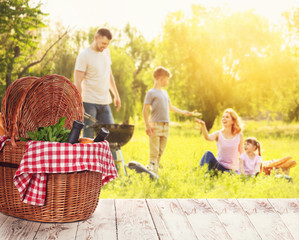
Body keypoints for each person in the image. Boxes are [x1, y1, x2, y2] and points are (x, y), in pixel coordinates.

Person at [74, 27, 121, 159]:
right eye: (103, 43)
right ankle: (87, 170)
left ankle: (113, 171)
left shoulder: (106, 52)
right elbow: (78, 80)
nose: (104, 47)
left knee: (110, 136)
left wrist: (115, 94)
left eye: (107, 44)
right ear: (96, 38)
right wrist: (79, 103)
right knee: (88, 138)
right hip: (89, 102)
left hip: (105, 102)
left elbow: (109, 74)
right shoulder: (84, 56)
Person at [143, 66, 192, 175]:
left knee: (160, 152)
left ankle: (154, 173)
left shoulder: (165, 93)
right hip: (155, 125)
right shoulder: (151, 93)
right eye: (167, 79)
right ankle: (151, 173)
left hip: (166, 126)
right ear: (161, 79)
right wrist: (147, 125)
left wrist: (184, 112)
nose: (167, 82)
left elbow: (170, 107)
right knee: (154, 153)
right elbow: (145, 110)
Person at [195, 108, 244, 173]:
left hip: (232, 170)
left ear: (233, 121)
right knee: (208, 153)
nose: (224, 118)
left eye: (227, 117)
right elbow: (207, 137)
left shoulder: (239, 136)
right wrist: (203, 125)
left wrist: (244, 170)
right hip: (218, 166)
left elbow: (242, 154)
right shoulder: (218, 134)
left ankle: (210, 175)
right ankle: (198, 173)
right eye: (223, 117)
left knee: (228, 175)